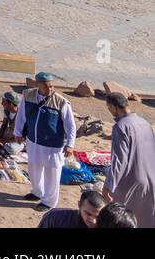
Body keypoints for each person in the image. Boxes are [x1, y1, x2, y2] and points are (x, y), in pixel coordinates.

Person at [14, 71, 76, 212]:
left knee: (52, 173)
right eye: (47, 86)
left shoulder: (61, 102)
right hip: (33, 141)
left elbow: (70, 125)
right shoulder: (28, 95)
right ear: (38, 85)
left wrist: (70, 144)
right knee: (34, 168)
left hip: (53, 145)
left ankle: (49, 202)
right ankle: (37, 192)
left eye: (52, 86)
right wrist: (17, 132)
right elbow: (21, 115)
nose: (50, 89)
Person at [104, 90, 155, 227]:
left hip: (131, 183)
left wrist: (109, 185)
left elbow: (119, 161)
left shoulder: (120, 127)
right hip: (151, 180)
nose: (110, 111)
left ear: (115, 107)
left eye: (109, 108)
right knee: (147, 219)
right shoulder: (145, 123)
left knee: (125, 220)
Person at [39, 189, 108, 229]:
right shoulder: (54, 218)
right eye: (88, 214)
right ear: (79, 205)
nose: (93, 221)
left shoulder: (108, 223)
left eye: (98, 216)